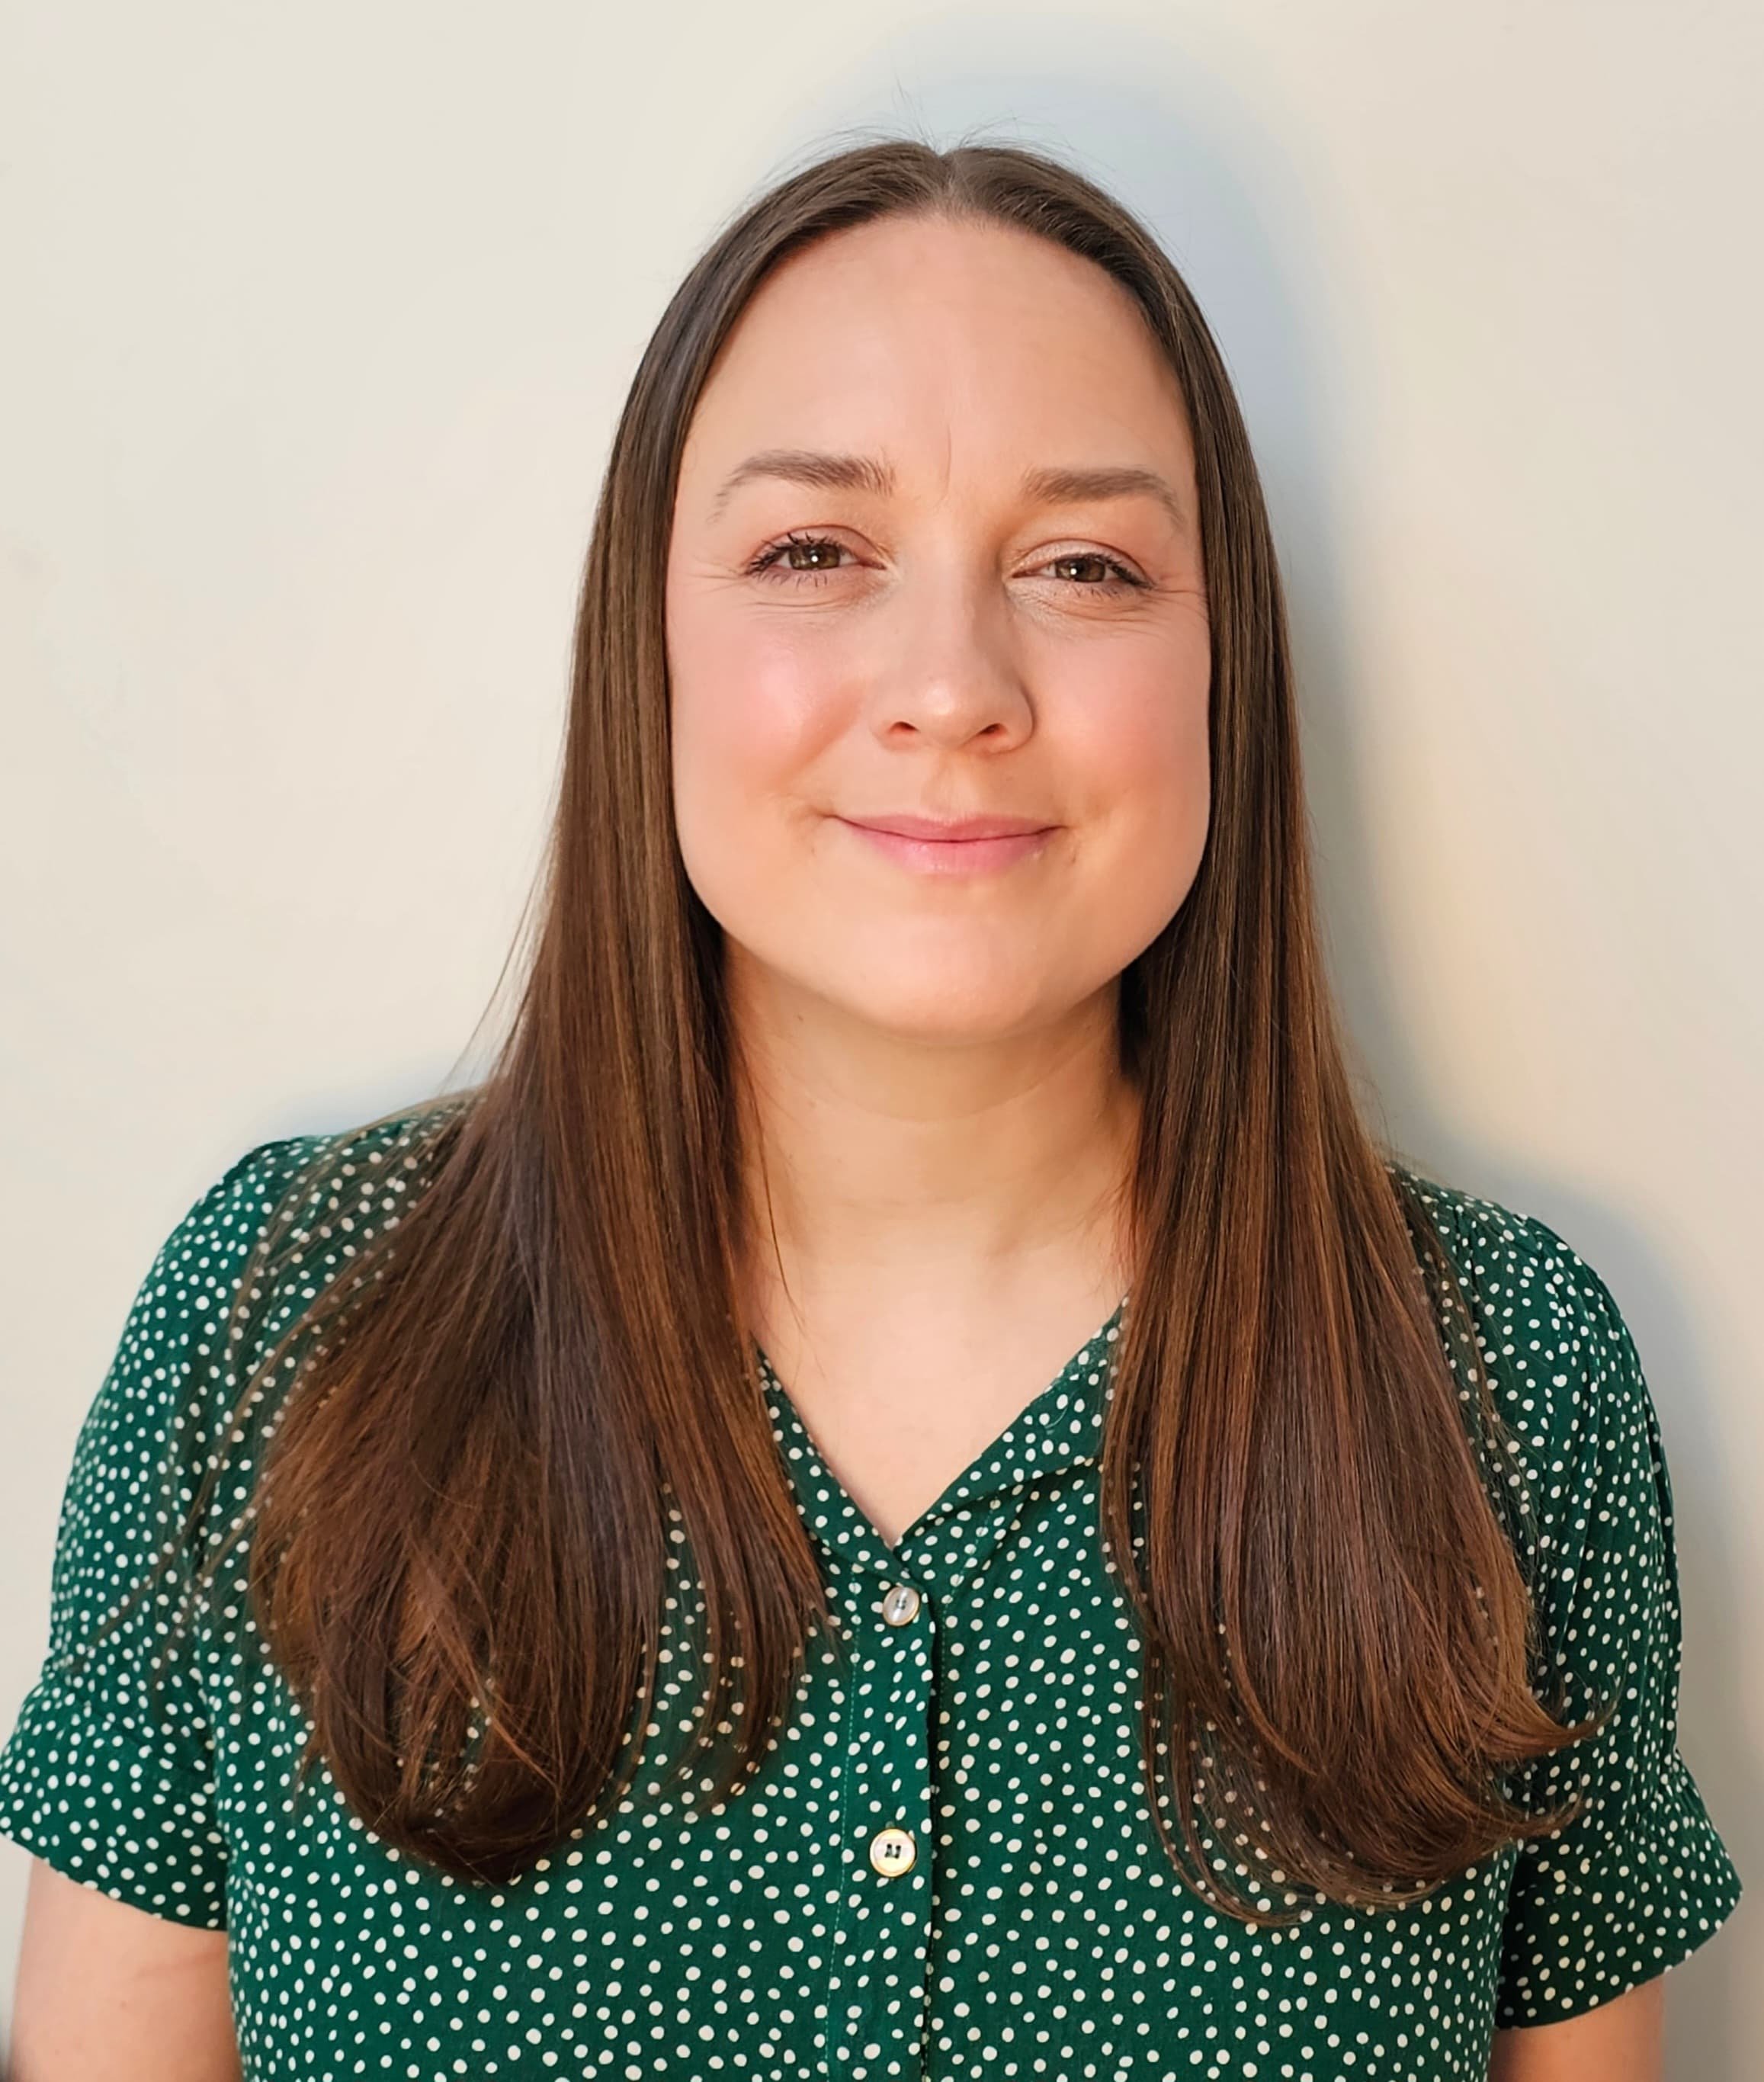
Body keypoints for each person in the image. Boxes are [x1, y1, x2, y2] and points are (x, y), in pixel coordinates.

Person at [0, 134, 1742, 2082]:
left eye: (1082, 566)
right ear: (647, 642)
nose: (949, 686)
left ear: (1222, 667)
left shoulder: (1503, 1376)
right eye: (813, 553)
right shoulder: (283, 1316)